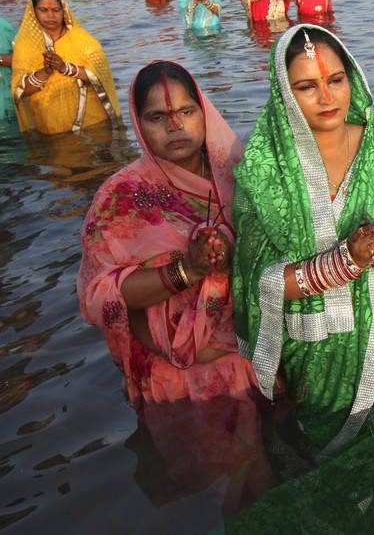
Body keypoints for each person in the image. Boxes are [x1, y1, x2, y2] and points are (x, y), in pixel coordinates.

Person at [232, 25, 374, 453]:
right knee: (333, 471)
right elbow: (261, 282)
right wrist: (344, 260)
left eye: (336, 80)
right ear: (284, 93)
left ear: (353, 78)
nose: (327, 98)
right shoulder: (262, 166)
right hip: (315, 353)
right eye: (307, 86)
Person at [77, 61, 258, 405]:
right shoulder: (122, 196)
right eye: (157, 117)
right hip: (175, 377)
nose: (175, 126)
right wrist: (188, 270)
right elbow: (100, 293)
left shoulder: (241, 175)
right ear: (139, 123)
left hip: (255, 356)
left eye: (186, 111)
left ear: (204, 111)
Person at [11, 0, 121, 134]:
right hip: (51, 130)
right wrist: (45, 72)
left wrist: (65, 68)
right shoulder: (26, 46)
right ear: (33, 12)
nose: (50, 16)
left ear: (64, 11)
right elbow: (19, 91)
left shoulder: (82, 40)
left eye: (56, 10)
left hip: (93, 124)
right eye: (43, 10)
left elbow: (101, 76)